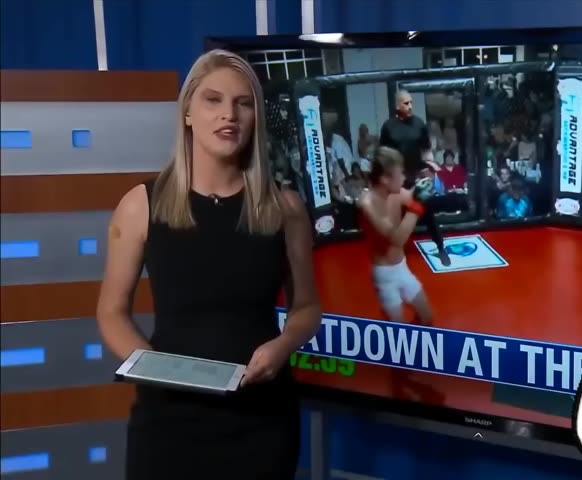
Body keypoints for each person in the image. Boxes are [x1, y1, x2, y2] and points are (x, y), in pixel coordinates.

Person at [96, 49, 322, 480]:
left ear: (255, 117)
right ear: (187, 113)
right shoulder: (141, 205)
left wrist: (282, 346)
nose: (228, 115)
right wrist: (157, 369)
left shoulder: (284, 208)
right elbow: (111, 312)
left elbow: (307, 307)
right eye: (213, 100)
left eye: (243, 103)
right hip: (168, 423)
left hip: (261, 422)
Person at [357, 146, 434, 325]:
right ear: (385, 179)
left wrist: (423, 185)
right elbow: (397, 239)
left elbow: (412, 196)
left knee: (427, 318)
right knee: (397, 332)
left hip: (402, 268)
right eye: (400, 174)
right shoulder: (367, 204)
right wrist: (416, 207)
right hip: (384, 276)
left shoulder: (395, 192)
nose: (404, 178)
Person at [379, 90, 451, 266]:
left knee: (428, 213)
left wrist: (430, 171)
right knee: (399, 217)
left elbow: (426, 150)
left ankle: (440, 247)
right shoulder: (388, 126)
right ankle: (399, 252)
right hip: (398, 179)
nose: (410, 106)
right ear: (397, 105)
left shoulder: (419, 123)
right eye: (406, 103)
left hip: (416, 176)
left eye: (411, 102)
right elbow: (383, 155)